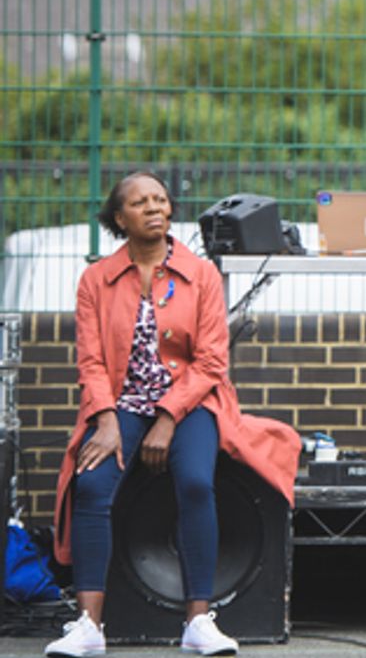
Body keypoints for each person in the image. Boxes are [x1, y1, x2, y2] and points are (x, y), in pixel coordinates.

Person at [47, 173, 301, 658]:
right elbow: (91, 361)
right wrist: (104, 420)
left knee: (194, 482)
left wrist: (167, 419)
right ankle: (88, 626)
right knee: (92, 485)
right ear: (119, 218)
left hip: (191, 402)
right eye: (140, 203)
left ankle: (198, 621)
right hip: (120, 404)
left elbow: (210, 361)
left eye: (160, 200)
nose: (154, 209)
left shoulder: (200, 275)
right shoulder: (95, 280)